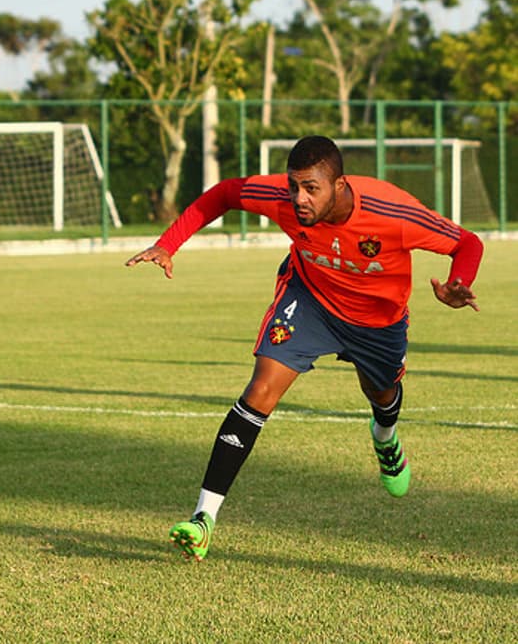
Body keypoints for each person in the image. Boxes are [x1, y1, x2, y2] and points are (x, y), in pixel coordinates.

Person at [126, 135, 483, 561]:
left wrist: (460, 282)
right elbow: (223, 194)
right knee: (260, 390)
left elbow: (467, 242)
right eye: (295, 186)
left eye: (311, 188)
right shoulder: (281, 195)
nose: (299, 198)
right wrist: (168, 244)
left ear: (340, 184)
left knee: (382, 395)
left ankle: (385, 438)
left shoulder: (393, 211)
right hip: (310, 300)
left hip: (377, 319)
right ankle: (203, 519)